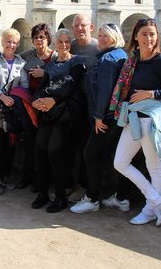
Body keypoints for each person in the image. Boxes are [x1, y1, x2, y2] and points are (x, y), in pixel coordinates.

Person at [111, 18, 161, 226]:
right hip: (133, 118)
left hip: (150, 119)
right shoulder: (133, 60)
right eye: (144, 34)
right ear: (135, 36)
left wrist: (149, 93)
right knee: (120, 162)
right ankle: (157, 201)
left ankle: (150, 210)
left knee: (154, 167)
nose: (149, 38)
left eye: (152, 34)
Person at [70, 23, 131, 214]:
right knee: (118, 157)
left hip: (106, 117)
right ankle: (121, 198)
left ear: (115, 37)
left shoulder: (108, 59)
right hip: (120, 116)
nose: (102, 39)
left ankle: (92, 198)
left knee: (90, 155)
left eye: (106, 36)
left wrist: (98, 117)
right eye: (100, 36)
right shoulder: (122, 55)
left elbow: (104, 91)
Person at [31, 28, 85, 212]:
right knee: (40, 150)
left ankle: (60, 196)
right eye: (60, 42)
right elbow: (42, 86)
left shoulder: (77, 62)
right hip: (49, 113)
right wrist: (38, 101)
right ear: (55, 44)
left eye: (67, 42)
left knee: (54, 152)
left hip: (65, 115)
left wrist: (52, 100)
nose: (63, 45)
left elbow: (72, 85)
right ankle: (43, 192)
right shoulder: (51, 65)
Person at [0, 28, 29, 195]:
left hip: (13, 110)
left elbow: (24, 85)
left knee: (11, 144)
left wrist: (15, 97)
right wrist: (2, 96)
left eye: (14, 42)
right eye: (8, 41)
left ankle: (7, 175)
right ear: (2, 43)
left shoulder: (21, 63)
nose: (11, 45)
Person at [15, 23, 57, 190]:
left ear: (48, 39)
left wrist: (45, 73)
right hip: (31, 106)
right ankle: (28, 177)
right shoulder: (29, 54)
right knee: (29, 142)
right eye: (36, 37)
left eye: (42, 37)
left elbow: (63, 74)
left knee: (45, 146)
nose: (39, 40)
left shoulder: (54, 57)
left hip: (48, 106)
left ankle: (44, 181)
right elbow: (12, 56)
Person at [66, 13, 100, 200]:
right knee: (72, 146)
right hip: (73, 102)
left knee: (86, 148)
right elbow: (48, 52)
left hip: (92, 104)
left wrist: (159, 54)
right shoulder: (70, 45)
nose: (79, 28)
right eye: (76, 26)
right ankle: (71, 183)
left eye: (83, 25)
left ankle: (83, 187)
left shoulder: (99, 46)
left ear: (91, 27)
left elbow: (123, 55)